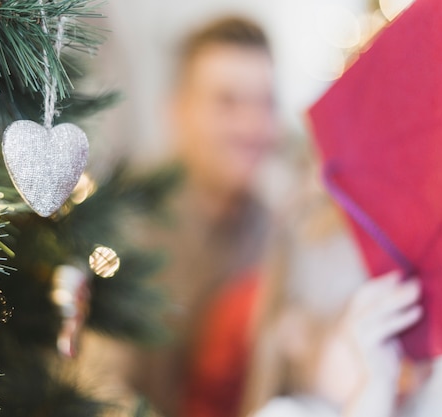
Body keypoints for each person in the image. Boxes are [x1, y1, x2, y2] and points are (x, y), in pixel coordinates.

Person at [127, 16, 279, 417]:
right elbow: (95, 387)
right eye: (227, 102)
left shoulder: (278, 234)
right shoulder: (127, 225)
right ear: (177, 111)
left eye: (265, 103)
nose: (252, 125)